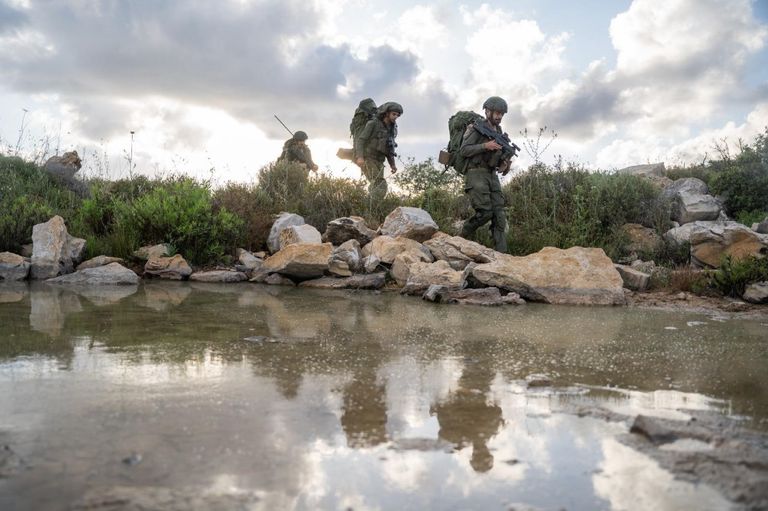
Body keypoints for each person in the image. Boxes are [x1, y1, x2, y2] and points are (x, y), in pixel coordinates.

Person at [459, 96, 512, 253]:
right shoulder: (476, 127)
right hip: (476, 173)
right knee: (485, 212)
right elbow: (464, 150)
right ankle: (462, 236)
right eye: (497, 113)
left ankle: (502, 255)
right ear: (488, 111)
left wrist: (505, 163)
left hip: (491, 174)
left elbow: (501, 164)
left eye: (502, 114)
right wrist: (485, 145)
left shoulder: (500, 132)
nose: (499, 116)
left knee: (499, 216)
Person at [354, 101, 402, 200]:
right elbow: (361, 140)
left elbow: (390, 148)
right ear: (387, 113)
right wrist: (360, 157)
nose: (395, 117)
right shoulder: (373, 124)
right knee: (379, 184)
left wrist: (392, 164)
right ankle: (369, 206)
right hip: (368, 158)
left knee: (377, 185)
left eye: (397, 115)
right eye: (394, 114)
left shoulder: (391, 129)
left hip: (380, 161)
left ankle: (367, 205)